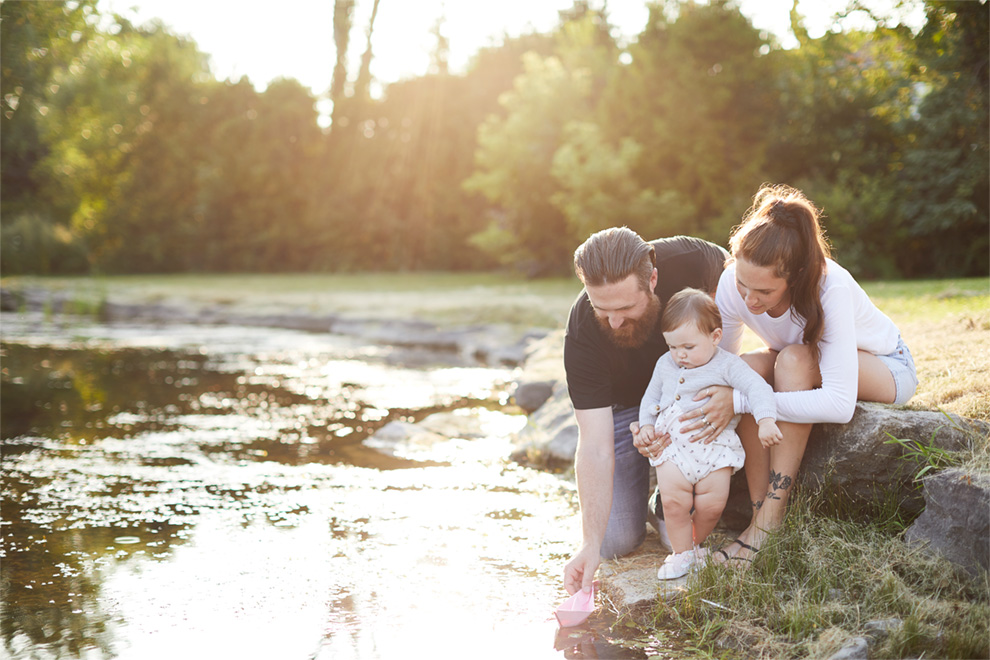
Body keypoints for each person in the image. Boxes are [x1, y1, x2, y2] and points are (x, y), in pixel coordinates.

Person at [670, 184, 918, 564]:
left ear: (795, 276)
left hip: (886, 366)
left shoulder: (827, 285)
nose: (750, 299)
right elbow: (717, 368)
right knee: (747, 369)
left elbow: (838, 404)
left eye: (765, 292)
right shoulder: (733, 283)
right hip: (796, 357)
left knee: (792, 363)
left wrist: (740, 400)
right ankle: (758, 517)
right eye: (742, 284)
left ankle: (771, 519)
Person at [561, 228, 728, 596]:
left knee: (680, 537)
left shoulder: (691, 260)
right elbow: (594, 445)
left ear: (652, 279)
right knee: (613, 542)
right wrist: (589, 545)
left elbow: (735, 280)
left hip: (686, 394)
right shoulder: (581, 335)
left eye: (624, 308)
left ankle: (664, 501)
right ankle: (651, 499)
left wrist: (722, 378)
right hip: (624, 411)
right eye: (601, 309)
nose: (614, 321)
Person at [635, 288, 782, 579]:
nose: (679, 355)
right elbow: (650, 399)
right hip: (673, 447)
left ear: (715, 337)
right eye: (672, 346)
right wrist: (646, 426)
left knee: (711, 505)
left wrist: (766, 420)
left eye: (688, 347)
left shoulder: (728, 365)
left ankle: (694, 545)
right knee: (675, 503)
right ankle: (681, 554)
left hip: (715, 449)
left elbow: (757, 388)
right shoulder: (665, 364)